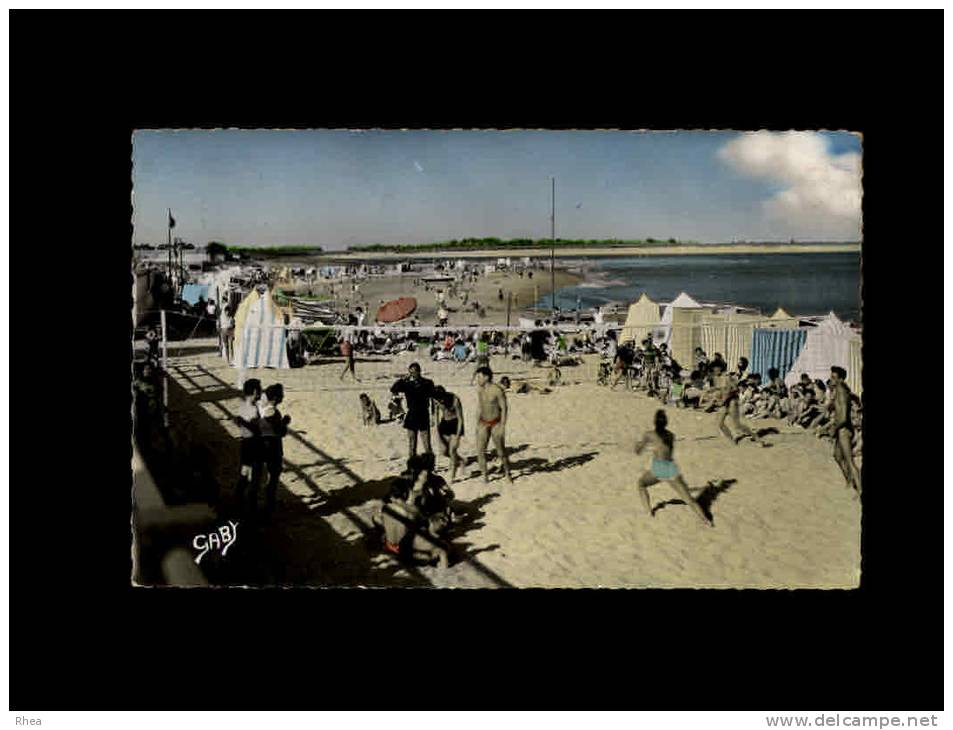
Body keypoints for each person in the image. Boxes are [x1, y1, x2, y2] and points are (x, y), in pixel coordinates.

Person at [634, 410, 712, 527]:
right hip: (670, 468)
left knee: (641, 484)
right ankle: (706, 520)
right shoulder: (671, 435)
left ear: (654, 422)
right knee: (688, 499)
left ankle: (648, 512)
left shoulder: (649, 435)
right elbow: (664, 449)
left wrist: (639, 445)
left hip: (659, 469)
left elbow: (638, 451)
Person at [474, 366, 513, 484]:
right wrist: (477, 423)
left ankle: (507, 473)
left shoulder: (497, 390)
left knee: (501, 451)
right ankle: (485, 475)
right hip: (483, 423)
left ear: (486, 377)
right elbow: (480, 406)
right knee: (480, 451)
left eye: (479, 377)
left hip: (496, 423)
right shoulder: (480, 390)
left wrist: (502, 426)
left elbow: (504, 408)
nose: (477, 379)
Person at [711, 359, 764, 446]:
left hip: (732, 400)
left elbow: (735, 388)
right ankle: (732, 440)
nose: (714, 370)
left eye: (715, 368)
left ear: (720, 368)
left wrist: (725, 396)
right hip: (724, 402)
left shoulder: (727, 377)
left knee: (737, 425)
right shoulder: (716, 379)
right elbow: (719, 390)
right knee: (720, 424)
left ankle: (757, 438)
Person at [258, 383, 291, 518]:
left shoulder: (263, 407)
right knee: (274, 475)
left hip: (263, 444)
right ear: (276, 398)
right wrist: (285, 422)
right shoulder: (273, 412)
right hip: (273, 446)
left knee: (269, 475)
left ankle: (269, 502)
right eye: (281, 396)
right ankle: (270, 504)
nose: (283, 397)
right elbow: (280, 431)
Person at [829, 366, 862, 497]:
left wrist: (833, 429)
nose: (831, 379)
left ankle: (859, 490)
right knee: (837, 456)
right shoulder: (838, 391)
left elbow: (842, 417)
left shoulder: (841, 392)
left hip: (843, 430)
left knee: (849, 460)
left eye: (834, 377)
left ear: (840, 379)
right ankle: (849, 480)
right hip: (841, 429)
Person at [391, 363, 436, 460]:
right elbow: (393, 388)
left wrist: (433, 415)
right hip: (412, 414)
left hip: (424, 414)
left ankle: (430, 464)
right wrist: (403, 378)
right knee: (412, 442)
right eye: (410, 372)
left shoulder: (427, 383)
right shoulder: (407, 384)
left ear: (419, 371)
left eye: (414, 372)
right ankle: (412, 464)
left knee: (426, 443)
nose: (413, 374)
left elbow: (433, 399)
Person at [234, 378, 263, 514]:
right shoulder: (253, 409)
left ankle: (238, 499)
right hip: (254, 444)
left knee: (244, 473)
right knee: (255, 478)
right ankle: (251, 507)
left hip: (244, 443)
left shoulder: (241, 406)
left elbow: (239, 423)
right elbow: (255, 429)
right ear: (255, 391)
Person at [433, 388, 465, 482]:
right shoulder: (435, 400)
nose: (441, 402)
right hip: (444, 424)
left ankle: (452, 477)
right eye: (439, 400)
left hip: (455, 423)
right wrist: (437, 431)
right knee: (444, 452)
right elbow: (436, 416)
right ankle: (461, 460)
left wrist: (458, 435)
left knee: (452, 450)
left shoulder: (455, 399)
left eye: (441, 399)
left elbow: (460, 418)